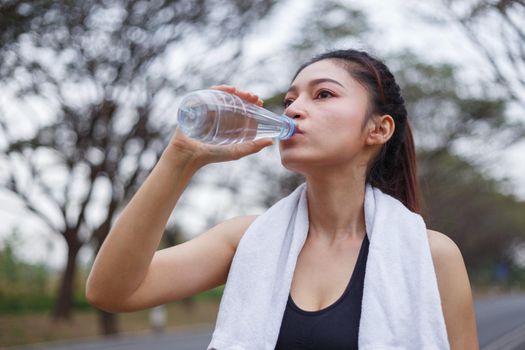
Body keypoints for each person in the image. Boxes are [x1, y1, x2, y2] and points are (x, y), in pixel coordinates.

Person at [86, 49, 479, 349]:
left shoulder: (431, 256)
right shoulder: (246, 239)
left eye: (322, 94)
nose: (294, 109)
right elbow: (112, 291)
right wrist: (180, 159)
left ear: (378, 129)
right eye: (290, 100)